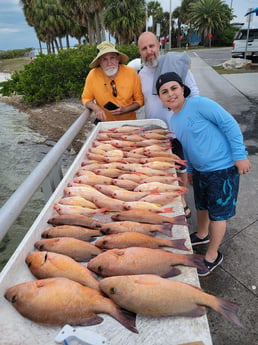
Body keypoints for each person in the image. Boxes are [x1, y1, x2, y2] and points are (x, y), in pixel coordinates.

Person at [156, 71, 251, 276]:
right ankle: (201, 233)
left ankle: (213, 255)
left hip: (222, 169)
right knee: (202, 205)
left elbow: (229, 124)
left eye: (174, 88)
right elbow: (187, 147)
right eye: (164, 92)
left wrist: (240, 155)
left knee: (218, 214)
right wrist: (189, 170)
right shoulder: (173, 119)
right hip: (199, 171)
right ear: (160, 98)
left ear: (183, 89)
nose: (170, 94)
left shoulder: (199, 104)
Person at [138, 31, 199, 218]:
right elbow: (139, 100)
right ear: (140, 52)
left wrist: (193, 118)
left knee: (180, 167)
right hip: (155, 132)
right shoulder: (140, 75)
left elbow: (194, 92)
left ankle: (181, 200)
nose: (149, 51)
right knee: (161, 170)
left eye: (152, 46)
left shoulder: (175, 65)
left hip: (178, 131)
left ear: (159, 46)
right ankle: (164, 202)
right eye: (144, 48)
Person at [81, 41, 144, 122]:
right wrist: (96, 108)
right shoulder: (93, 75)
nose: (109, 63)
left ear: (118, 58)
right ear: (99, 62)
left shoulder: (131, 73)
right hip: (105, 125)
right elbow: (86, 99)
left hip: (129, 124)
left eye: (112, 58)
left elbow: (139, 101)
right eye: (104, 59)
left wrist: (125, 109)